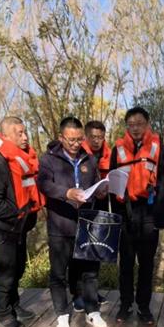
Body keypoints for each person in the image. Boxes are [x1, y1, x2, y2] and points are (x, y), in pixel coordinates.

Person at [37, 116, 108, 327]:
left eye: (79, 139)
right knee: (59, 273)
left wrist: (100, 191)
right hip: (60, 225)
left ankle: (92, 311)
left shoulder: (89, 159)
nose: (76, 144)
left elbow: (94, 183)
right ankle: (61, 315)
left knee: (90, 271)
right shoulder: (49, 160)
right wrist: (66, 193)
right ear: (61, 138)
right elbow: (44, 184)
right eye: (71, 140)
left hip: (86, 225)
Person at [0, 116, 44, 327]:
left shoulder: (21, 159)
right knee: (4, 272)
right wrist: (17, 214)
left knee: (17, 268)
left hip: (19, 228)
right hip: (3, 229)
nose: (25, 137)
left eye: (25, 132)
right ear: (6, 136)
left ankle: (14, 304)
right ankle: (3, 313)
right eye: (19, 133)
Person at [110, 106, 164, 325]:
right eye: (131, 124)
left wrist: (160, 220)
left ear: (147, 124)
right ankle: (125, 304)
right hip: (126, 214)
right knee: (126, 264)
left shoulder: (159, 148)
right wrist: (116, 218)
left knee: (146, 265)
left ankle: (144, 307)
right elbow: (113, 184)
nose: (135, 128)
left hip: (149, 214)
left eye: (139, 124)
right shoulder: (117, 149)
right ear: (126, 126)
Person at [69, 120, 111, 312]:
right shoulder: (78, 155)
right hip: (79, 208)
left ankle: (91, 292)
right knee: (78, 253)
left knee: (95, 251)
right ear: (86, 136)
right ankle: (77, 294)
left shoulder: (108, 154)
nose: (96, 141)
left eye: (100, 137)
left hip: (100, 205)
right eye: (93, 137)